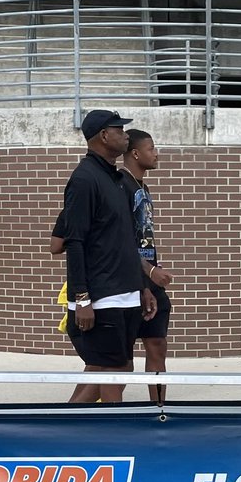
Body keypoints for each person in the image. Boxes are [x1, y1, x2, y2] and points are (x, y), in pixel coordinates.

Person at [52, 110, 156, 403]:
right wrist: (82, 299)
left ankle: (65, 427)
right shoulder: (84, 179)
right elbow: (72, 242)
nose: (125, 135)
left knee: (118, 368)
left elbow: (125, 243)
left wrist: (142, 286)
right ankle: (115, 435)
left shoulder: (115, 180)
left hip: (126, 294)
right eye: (119, 130)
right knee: (111, 373)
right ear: (103, 136)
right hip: (101, 299)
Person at [121, 129, 174, 404]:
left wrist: (154, 268)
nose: (157, 154)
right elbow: (119, 241)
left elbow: (143, 237)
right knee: (121, 359)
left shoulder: (143, 187)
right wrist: (147, 274)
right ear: (135, 153)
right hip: (129, 281)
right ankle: (105, 409)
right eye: (152, 149)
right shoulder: (121, 186)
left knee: (157, 344)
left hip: (150, 279)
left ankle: (159, 407)